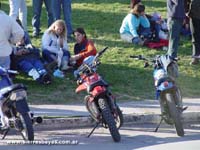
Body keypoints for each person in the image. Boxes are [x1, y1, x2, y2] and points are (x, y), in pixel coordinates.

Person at [0, 7, 24, 129]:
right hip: (4, 53)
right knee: (6, 85)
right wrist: (11, 41)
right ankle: (7, 113)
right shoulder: (8, 19)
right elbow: (20, 33)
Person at [11, 20, 51, 84]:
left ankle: (44, 75)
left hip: (33, 59)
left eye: (22, 39)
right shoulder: (14, 48)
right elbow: (12, 57)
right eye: (18, 40)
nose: (20, 41)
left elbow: (37, 52)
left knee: (38, 65)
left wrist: (28, 50)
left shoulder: (29, 46)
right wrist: (18, 54)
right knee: (29, 67)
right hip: (22, 61)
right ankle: (38, 78)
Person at [185, 0, 200, 65]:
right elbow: (186, 1)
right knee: (195, 37)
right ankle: (195, 57)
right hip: (194, 15)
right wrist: (187, 11)